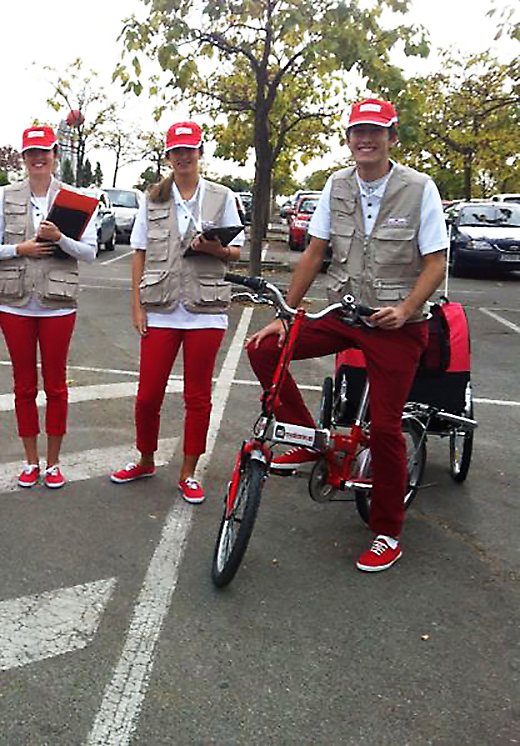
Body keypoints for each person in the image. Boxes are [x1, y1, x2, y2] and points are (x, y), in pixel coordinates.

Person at [245, 98, 448, 572]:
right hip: (346, 312)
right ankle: (309, 437)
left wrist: (406, 308)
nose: (366, 139)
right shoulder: (336, 185)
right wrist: (288, 313)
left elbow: (436, 261)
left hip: (398, 326)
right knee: (265, 348)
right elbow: (316, 252)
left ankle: (386, 531)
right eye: (358, 131)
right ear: (348, 138)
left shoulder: (420, 188)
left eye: (376, 131)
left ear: (392, 137)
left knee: (384, 428)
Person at [109, 121, 243, 504]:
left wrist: (214, 249)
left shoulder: (222, 196)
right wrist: (136, 305)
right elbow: (138, 253)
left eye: (190, 150)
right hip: (162, 307)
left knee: (197, 397)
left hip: (206, 309)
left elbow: (236, 252)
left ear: (200, 152)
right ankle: (146, 459)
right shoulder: (153, 198)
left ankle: (188, 472)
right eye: (176, 151)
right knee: (147, 396)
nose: (183, 157)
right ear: (168, 156)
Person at [0, 125, 96, 489]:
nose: (38, 159)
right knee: (23, 386)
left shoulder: (76, 197)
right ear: (23, 158)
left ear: (56, 155)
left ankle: (54, 462)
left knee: (57, 386)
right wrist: (21, 249)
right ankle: (31, 461)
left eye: (44, 152)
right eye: (31, 153)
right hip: (15, 304)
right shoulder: (4, 194)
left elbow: (90, 252)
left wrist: (60, 238)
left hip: (58, 305)